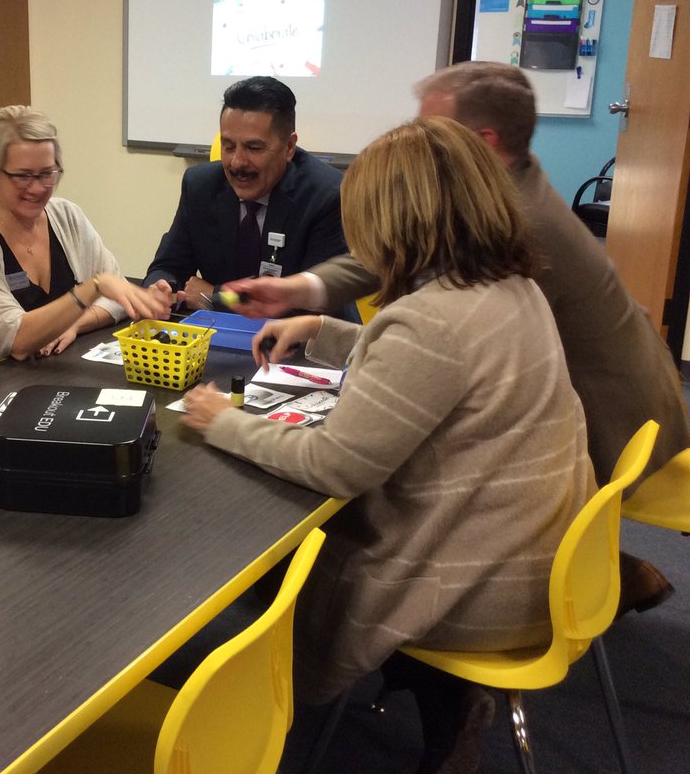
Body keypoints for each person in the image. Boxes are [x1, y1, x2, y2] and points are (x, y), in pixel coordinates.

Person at [182, 116, 595, 773]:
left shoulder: (432, 321)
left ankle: (245, 707)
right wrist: (323, 328)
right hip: (530, 554)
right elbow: (434, 371)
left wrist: (217, 418)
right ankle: (442, 704)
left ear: (394, 220)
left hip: (471, 581)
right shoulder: (504, 287)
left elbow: (336, 464)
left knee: (253, 571)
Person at [227, 60, 684, 614]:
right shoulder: (501, 206)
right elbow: (413, 270)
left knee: (352, 513)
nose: (424, 144)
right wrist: (312, 302)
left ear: (481, 141)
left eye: (434, 132)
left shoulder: (515, 233)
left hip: (610, 412)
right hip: (583, 415)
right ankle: (591, 565)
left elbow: (346, 452)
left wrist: (218, 418)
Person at [0, 105, 172, 359]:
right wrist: (93, 288)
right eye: (24, 176)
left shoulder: (67, 216)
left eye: (47, 173)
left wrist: (74, 323)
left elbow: (117, 297)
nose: (38, 188)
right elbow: (14, 339)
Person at [142, 76, 348, 311]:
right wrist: (161, 289)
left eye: (254, 148)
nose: (237, 162)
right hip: (219, 336)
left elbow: (309, 302)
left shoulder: (325, 195)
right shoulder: (200, 186)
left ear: (289, 147)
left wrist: (215, 298)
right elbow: (168, 265)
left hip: (305, 342)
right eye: (228, 146)